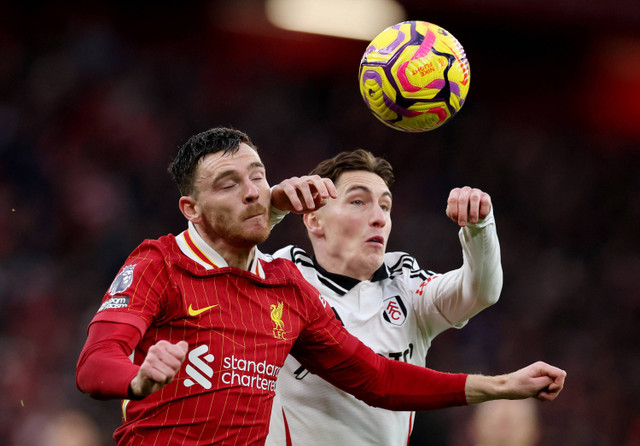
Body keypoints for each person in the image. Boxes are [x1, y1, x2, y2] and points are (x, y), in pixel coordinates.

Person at [75, 127, 566, 445]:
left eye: (258, 177)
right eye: (228, 183)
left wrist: (499, 385)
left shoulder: (286, 289)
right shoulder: (161, 262)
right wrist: (137, 378)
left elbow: (377, 378)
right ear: (190, 209)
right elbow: (96, 363)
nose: (250, 190)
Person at [264, 149, 503, 445]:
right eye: (358, 202)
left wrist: (481, 226)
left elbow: (481, 291)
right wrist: (272, 207)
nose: (378, 218)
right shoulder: (281, 280)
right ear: (314, 220)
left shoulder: (407, 286)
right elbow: (219, 248)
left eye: (385, 207)